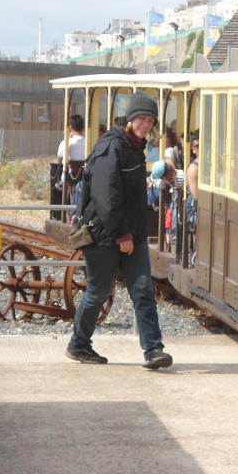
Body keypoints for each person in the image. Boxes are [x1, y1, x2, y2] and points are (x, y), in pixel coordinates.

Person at [66, 92, 173, 370]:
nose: (146, 125)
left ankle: (153, 349)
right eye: (141, 118)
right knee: (98, 292)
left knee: (143, 289)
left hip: (130, 233)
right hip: (104, 234)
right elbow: (105, 196)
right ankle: (79, 344)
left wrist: (131, 233)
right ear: (130, 119)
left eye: (150, 120)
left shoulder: (134, 146)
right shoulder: (112, 146)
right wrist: (121, 234)